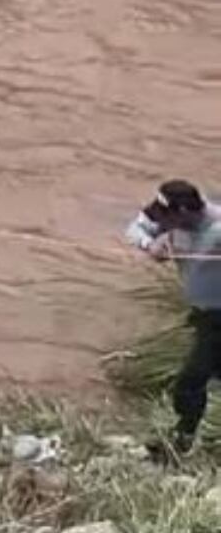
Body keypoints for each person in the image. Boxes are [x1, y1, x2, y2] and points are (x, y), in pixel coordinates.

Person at [124, 178, 221, 460]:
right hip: (202, 315)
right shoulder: (170, 221)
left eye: (168, 218)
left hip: (220, 319)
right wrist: (149, 245)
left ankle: (182, 442)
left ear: (185, 212)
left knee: (191, 381)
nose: (162, 223)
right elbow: (135, 228)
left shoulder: (216, 230)